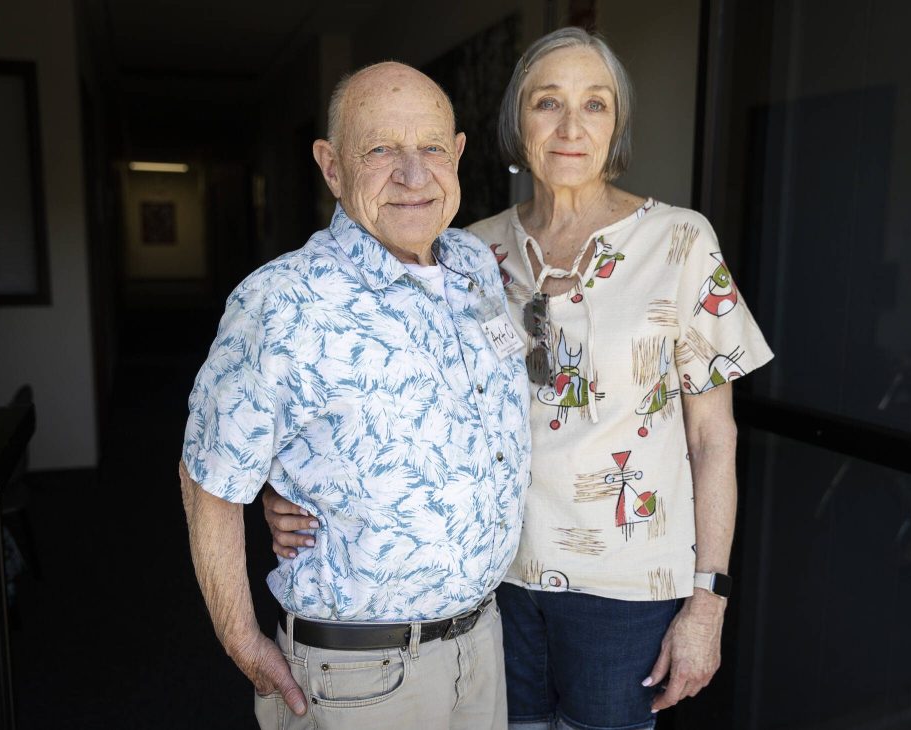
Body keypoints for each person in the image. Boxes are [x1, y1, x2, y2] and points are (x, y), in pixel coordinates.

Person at [265, 27, 773, 730]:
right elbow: (384, 390)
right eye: (547, 103)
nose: (571, 126)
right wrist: (285, 488)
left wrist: (708, 599)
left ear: (616, 124)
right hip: (489, 583)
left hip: (625, 587)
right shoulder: (467, 250)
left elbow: (715, 437)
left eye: (595, 105)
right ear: (515, 121)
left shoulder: (681, 243)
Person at [180, 61, 531, 730]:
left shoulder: (474, 266)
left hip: (482, 643)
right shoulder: (281, 302)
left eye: (431, 146)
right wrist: (240, 638)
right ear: (331, 166)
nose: (412, 172)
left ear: (457, 155)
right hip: (367, 677)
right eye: (379, 149)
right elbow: (208, 479)